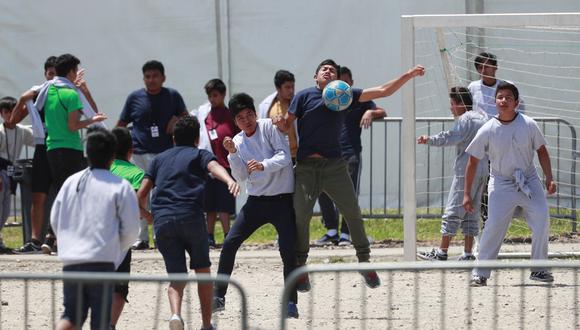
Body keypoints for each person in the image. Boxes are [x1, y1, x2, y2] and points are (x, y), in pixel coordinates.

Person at [274, 59, 425, 290]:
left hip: (335, 166)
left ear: (337, 78)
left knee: (353, 214)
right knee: (301, 217)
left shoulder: (345, 94)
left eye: (332, 70)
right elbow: (286, 126)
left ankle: (364, 262)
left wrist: (409, 74)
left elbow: (384, 91)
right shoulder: (303, 96)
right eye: (323, 69)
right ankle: (301, 267)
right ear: (316, 77)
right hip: (306, 167)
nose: (328, 71)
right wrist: (278, 123)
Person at [137, 116, 239, 330]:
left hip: (163, 220)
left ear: (173, 138)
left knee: (176, 277)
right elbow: (213, 167)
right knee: (203, 272)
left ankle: (175, 315)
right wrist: (229, 180)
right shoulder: (199, 154)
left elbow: (140, 195)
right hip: (191, 217)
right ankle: (205, 324)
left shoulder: (159, 159)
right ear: (197, 138)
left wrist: (148, 217)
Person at [213, 93, 299, 318]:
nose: (247, 120)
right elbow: (240, 175)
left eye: (250, 114)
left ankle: (291, 302)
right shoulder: (238, 141)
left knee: (288, 251)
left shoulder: (269, 127)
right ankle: (218, 296)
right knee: (230, 243)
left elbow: (285, 157)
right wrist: (232, 154)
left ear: (255, 113)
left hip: (282, 200)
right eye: (241, 118)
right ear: (235, 121)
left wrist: (263, 165)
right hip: (257, 202)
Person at [463, 82, 557, 286]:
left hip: (529, 180)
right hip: (501, 183)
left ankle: (539, 269)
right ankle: (480, 273)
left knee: (542, 218)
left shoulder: (529, 124)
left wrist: (549, 177)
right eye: (500, 97)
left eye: (508, 97)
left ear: (516, 102)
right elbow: (472, 161)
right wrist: (467, 194)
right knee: (493, 226)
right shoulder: (488, 129)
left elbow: (541, 151)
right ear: (495, 101)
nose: (503, 101)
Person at [51, 127, 140, 330]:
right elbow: (131, 229)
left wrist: (67, 243)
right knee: (100, 320)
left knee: (71, 316)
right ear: (112, 155)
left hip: (72, 259)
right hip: (102, 260)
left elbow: (56, 219)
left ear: (87, 153)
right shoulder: (120, 185)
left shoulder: (71, 182)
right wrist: (116, 250)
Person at [37, 53, 107, 254]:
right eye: (75, 70)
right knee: (76, 194)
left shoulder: (48, 90)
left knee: (61, 192)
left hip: (52, 148)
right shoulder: (71, 94)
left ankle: (51, 237)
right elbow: (73, 125)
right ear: (70, 72)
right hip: (71, 149)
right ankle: (61, 238)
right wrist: (93, 121)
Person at [117, 60, 188, 250]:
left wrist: (175, 121)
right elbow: (121, 124)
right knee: (139, 195)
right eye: (147, 76)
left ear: (163, 77)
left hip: (165, 155)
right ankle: (141, 237)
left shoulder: (172, 96)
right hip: (139, 154)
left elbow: (186, 118)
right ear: (143, 79)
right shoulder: (134, 98)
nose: (151, 80)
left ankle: (160, 235)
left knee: (161, 195)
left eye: (155, 76)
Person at [415, 87, 488, 261]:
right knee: (472, 212)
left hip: (466, 171)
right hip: (483, 170)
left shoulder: (465, 120)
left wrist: (429, 139)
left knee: (453, 210)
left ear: (461, 104)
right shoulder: (483, 117)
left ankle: (442, 252)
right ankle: (468, 253)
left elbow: (451, 137)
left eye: (452, 104)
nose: (451, 108)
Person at [315, 66, 386, 246]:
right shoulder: (329, 97)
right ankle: (331, 230)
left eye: (347, 82)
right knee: (321, 189)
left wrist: (370, 112)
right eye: (341, 81)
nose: (344, 85)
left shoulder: (357, 99)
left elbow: (381, 110)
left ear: (352, 83)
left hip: (350, 152)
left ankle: (346, 233)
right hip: (327, 153)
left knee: (349, 194)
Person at [12, 56, 58, 254]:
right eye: (50, 73)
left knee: (62, 195)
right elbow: (13, 120)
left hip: (61, 147)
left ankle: (57, 238)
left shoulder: (66, 92)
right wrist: (22, 100)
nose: (53, 77)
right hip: (42, 147)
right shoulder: (35, 93)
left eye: (56, 74)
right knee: (38, 195)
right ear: (45, 74)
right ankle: (34, 240)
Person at [109, 127, 149, 330]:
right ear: (131, 150)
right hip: (121, 238)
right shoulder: (137, 173)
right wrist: (150, 217)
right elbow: (134, 203)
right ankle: (110, 325)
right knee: (120, 286)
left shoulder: (101, 170)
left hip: (97, 234)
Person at [194, 79, 238, 248]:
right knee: (209, 205)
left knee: (224, 205)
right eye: (210, 96)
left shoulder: (229, 115)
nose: (212, 99)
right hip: (208, 166)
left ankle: (228, 235)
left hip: (225, 167)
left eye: (215, 95)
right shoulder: (204, 114)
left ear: (222, 95)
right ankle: (209, 235)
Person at [0, 97, 34, 253]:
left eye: (13, 111)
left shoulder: (21, 130)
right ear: (1, 114)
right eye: (6, 111)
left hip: (10, 171)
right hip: (1, 170)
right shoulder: (0, 131)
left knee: (6, 210)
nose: (10, 115)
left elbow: (37, 138)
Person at [468, 52, 525, 117]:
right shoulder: (472, 87)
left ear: (495, 67)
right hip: (480, 126)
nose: (483, 71)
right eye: (480, 68)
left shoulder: (507, 85)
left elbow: (520, 106)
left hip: (502, 125)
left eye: (486, 67)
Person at [258, 70, 297, 160]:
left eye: (292, 86)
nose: (291, 90)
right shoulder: (266, 106)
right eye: (287, 87)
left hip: (297, 156)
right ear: (278, 88)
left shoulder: (298, 103)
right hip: (276, 157)